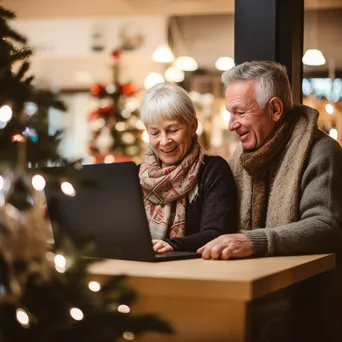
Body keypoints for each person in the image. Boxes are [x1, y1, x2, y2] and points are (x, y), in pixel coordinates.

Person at [198, 60, 342, 260]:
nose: (231, 125)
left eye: (239, 112)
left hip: (301, 286)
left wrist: (254, 241)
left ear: (275, 109)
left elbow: (325, 227)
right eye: (230, 114)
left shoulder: (321, 151)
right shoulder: (239, 156)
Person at [139, 83, 237, 254]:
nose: (164, 141)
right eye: (155, 133)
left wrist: (173, 245)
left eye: (173, 130)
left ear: (193, 127)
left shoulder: (212, 169)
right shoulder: (137, 175)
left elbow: (217, 234)